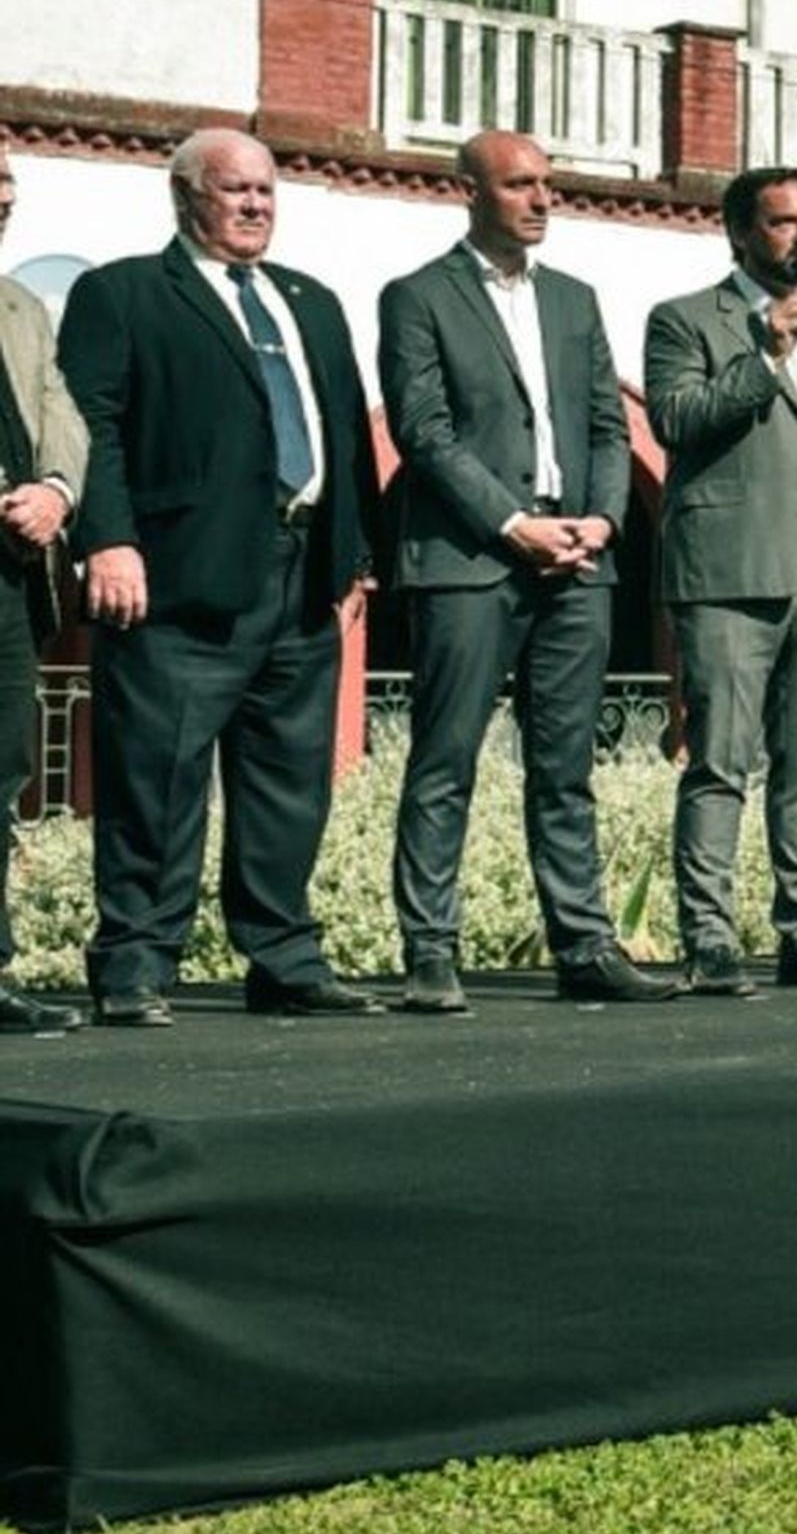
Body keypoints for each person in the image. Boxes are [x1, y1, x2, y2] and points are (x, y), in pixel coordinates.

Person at [57, 127, 384, 1025]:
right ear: (185, 197)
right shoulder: (122, 293)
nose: (254, 205)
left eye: (267, 192)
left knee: (289, 780)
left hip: (300, 574)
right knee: (156, 779)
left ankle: (284, 955)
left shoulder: (310, 302)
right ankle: (134, 963)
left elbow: (347, 433)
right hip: (175, 579)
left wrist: (355, 557)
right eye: (234, 189)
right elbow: (93, 425)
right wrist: (108, 540)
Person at [380, 131, 678, 1007]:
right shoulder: (417, 297)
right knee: (445, 760)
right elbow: (423, 431)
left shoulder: (577, 302)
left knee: (565, 766)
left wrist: (605, 519)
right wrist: (513, 524)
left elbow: (606, 427)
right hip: (472, 560)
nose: (543, 199)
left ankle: (584, 945)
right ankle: (430, 951)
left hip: (578, 562)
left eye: (548, 184)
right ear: (468, 191)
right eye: (520, 185)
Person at [644, 165, 797, 994]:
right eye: (786, 222)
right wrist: (766, 349)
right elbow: (675, 420)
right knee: (720, 762)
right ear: (741, 234)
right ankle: (710, 939)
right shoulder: (686, 318)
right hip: (730, 574)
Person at [0, 146, 89, 1034]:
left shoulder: (23, 308)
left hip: (12, 575)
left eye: (9, 189)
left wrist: (56, 492)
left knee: (3, 770)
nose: (3, 202)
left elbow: (61, 413)